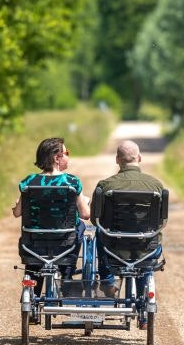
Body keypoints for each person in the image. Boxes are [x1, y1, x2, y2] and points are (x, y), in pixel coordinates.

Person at [90, 140, 164, 327]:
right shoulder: (155, 186)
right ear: (139, 158)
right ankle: (145, 314)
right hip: (145, 248)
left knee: (100, 232)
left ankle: (107, 282)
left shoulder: (105, 185)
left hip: (113, 248)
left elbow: (95, 220)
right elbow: (160, 222)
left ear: (117, 160)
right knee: (146, 251)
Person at [13, 137, 90, 294]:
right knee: (81, 225)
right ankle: (67, 272)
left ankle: (32, 289)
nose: (68, 156)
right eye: (66, 152)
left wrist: (17, 204)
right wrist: (86, 202)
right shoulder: (71, 182)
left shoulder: (29, 181)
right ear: (57, 158)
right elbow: (85, 214)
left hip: (34, 243)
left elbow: (17, 213)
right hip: (64, 242)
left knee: (36, 241)